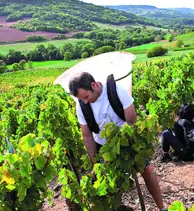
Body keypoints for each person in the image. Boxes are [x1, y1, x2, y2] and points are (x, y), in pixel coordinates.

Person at [69, 72, 164, 210]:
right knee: (106, 182)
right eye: (81, 99)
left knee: (147, 171)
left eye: (86, 97)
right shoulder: (81, 105)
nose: (85, 101)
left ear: (94, 85)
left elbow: (132, 121)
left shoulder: (116, 91)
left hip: (127, 140)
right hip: (104, 148)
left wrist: (122, 144)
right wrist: (95, 163)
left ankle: (161, 208)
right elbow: (87, 136)